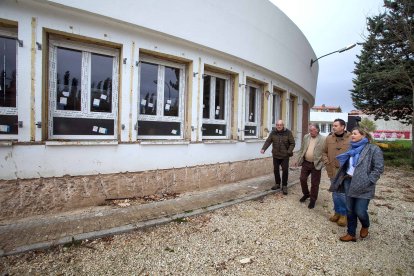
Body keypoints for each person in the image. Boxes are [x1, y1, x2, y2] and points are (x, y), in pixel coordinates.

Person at [330, 127, 384, 242]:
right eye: (352, 134)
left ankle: (365, 225)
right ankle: (351, 233)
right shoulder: (351, 148)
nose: (352, 136)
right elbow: (347, 166)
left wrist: (369, 180)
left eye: (354, 134)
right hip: (349, 182)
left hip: (364, 185)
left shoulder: (373, 149)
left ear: (363, 136)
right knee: (350, 209)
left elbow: (378, 168)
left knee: (360, 210)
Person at [322, 118, 351, 227]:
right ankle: (337, 212)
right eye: (333, 125)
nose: (333, 127)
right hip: (332, 170)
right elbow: (323, 152)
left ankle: (344, 214)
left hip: (345, 171)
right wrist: (327, 162)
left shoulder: (351, 139)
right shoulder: (329, 138)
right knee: (335, 193)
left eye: (336, 125)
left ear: (343, 127)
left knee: (342, 193)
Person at [260, 120, 295, 195]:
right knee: (276, 170)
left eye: (280, 125)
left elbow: (292, 143)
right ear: (276, 125)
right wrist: (263, 149)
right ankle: (277, 184)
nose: (279, 126)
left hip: (285, 156)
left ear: (283, 125)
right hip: (276, 155)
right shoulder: (273, 132)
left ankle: (284, 185)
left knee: (285, 170)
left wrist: (288, 152)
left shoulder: (288, 132)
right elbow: (268, 141)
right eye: (277, 125)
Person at [295, 124, 326, 209]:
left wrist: (323, 163)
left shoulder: (323, 139)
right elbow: (302, 149)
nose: (310, 132)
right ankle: (306, 194)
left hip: (316, 164)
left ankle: (313, 200)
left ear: (317, 130)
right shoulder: (306, 137)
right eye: (309, 130)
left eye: (312, 130)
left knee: (315, 183)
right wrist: (298, 159)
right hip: (306, 162)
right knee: (302, 179)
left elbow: (325, 152)